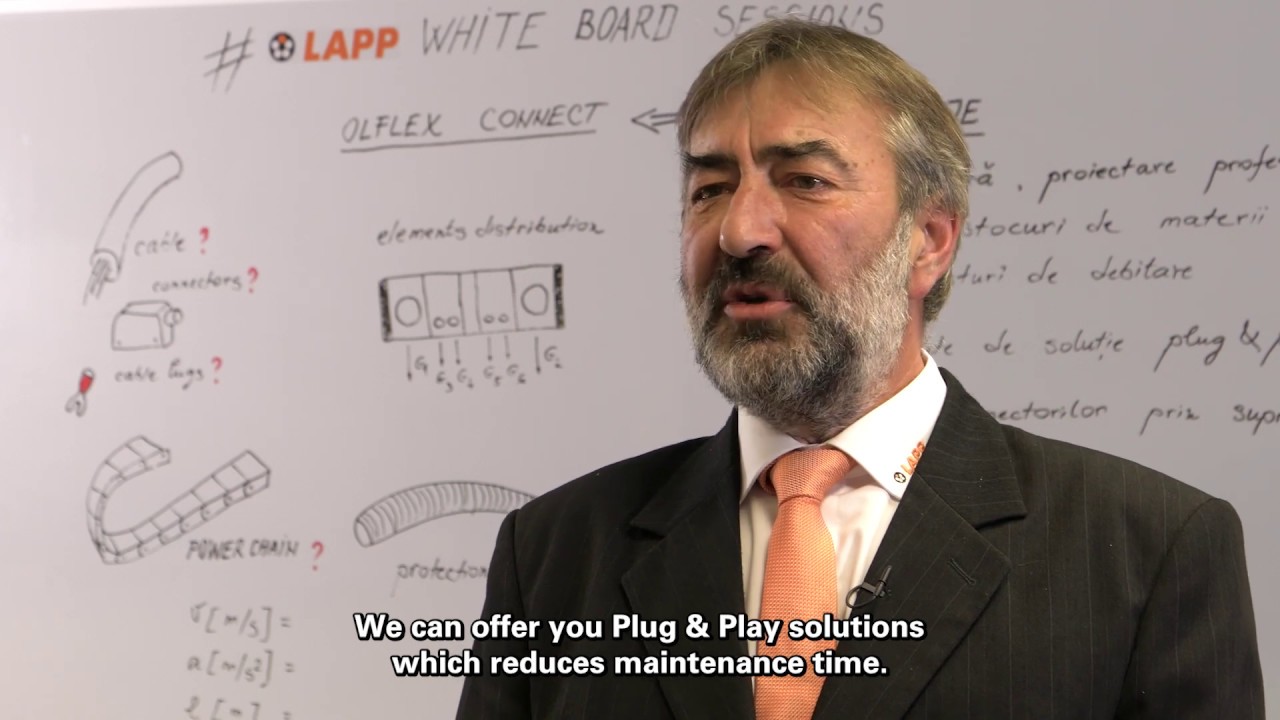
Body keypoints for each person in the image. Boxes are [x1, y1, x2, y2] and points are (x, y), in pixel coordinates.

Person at [456, 18, 1263, 720]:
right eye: (709, 189)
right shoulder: (555, 554)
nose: (739, 231)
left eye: (805, 181)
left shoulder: (1149, 550)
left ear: (929, 240)